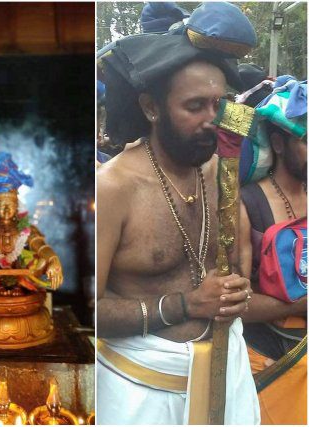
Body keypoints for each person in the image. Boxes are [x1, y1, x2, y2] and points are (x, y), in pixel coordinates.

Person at [96, 6, 260, 422]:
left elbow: (238, 268)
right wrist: (186, 305)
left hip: (228, 375)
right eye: (195, 106)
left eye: (221, 103)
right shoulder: (113, 188)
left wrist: (236, 290)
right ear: (152, 108)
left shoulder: (220, 169)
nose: (214, 120)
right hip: (139, 391)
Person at [238, 79, 307, 425]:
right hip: (265, 361)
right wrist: (298, 305)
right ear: (278, 143)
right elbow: (234, 304)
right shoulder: (246, 204)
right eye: (307, 140)